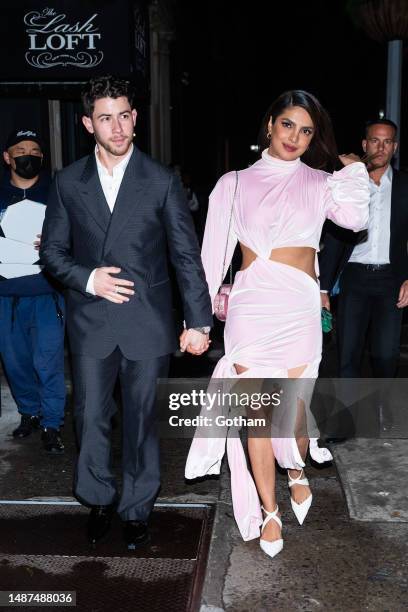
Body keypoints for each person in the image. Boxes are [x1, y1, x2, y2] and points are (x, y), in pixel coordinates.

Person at [185, 90, 370, 558]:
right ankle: (269, 510)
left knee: (294, 419)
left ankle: (296, 469)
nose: (296, 137)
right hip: (251, 307)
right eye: (288, 125)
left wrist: (352, 172)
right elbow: (211, 258)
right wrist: (199, 321)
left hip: (299, 308)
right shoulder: (232, 183)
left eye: (306, 130)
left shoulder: (320, 181)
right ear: (269, 124)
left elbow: (354, 219)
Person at [40, 75, 212, 550]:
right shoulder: (68, 181)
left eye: (123, 115)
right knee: (90, 414)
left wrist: (198, 321)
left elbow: (184, 254)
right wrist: (88, 278)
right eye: (104, 118)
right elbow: (53, 253)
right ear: (87, 124)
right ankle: (97, 498)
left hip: (147, 322)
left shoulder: (160, 180)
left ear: (134, 119)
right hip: (91, 319)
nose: (116, 127)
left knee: (142, 422)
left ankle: (137, 508)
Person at [320, 119, 408, 378]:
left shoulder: (404, 186)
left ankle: (383, 415)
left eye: (387, 141)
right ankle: (349, 417)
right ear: (364, 144)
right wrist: (323, 286)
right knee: (348, 356)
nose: (380, 148)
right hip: (354, 278)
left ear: (395, 147)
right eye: (374, 141)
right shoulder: (349, 184)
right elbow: (335, 237)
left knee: (386, 357)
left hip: (391, 280)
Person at [0, 129, 65, 454]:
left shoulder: (57, 194)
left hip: (47, 295)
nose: (29, 154)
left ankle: (52, 424)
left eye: (35, 150)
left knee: (48, 361)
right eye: (21, 149)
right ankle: (30, 413)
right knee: (16, 363)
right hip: (6, 297)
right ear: (7, 157)